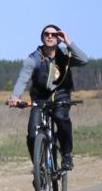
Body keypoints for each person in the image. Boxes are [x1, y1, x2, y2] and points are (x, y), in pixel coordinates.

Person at [8, 25, 87, 171]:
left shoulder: (65, 55)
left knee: (61, 118)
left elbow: (83, 60)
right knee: (32, 134)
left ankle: (67, 154)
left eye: (54, 34)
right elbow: (23, 77)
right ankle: (39, 167)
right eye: (46, 34)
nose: (50, 36)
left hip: (61, 97)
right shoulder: (35, 58)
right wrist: (15, 97)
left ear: (59, 38)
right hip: (40, 99)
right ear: (42, 37)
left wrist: (68, 42)